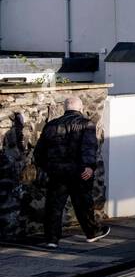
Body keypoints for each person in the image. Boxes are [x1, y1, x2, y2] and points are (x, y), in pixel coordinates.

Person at [34, 96, 109, 248]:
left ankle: (52, 239)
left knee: (54, 206)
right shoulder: (86, 124)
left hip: (57, 172)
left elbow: (39, 151)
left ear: (65, 108)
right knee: (83, 204)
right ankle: (92, 233)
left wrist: (46, 167)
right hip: (79, 172)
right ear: (80, 108)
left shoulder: (51, 125)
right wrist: (89, 166)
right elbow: (88, 147)